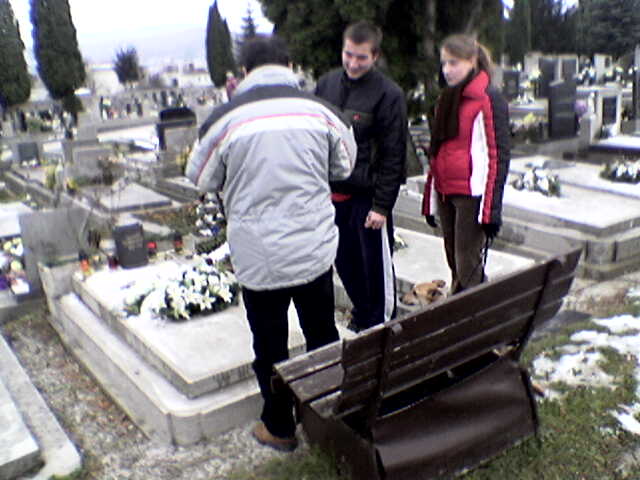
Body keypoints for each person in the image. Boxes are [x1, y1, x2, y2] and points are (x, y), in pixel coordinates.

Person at [186, 35, 356, 452]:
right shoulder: (322, 112)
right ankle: (327, 416)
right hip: (312, 250)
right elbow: (344, 166)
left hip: (258, 256)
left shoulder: (225, 119)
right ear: (290, 65)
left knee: (270, 344)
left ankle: (279, 426)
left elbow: (200, 177)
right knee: (321, 333)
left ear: (244, 72)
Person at [315, 20, 407, 333]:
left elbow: (394, 154)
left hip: (368, 198)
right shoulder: (326, 85)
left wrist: (382, 206)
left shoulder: (389, 94)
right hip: (333, 195)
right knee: (345, 264)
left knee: (374, 272)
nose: (353, 63)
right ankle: (363, 316)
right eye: (348, 55)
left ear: (375, 56)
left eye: (361, 57)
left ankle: (381, 329)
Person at [422, 34, 510, 295]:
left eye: (454, 63)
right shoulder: (446, 99)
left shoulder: (487, 98)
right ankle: (462, 311)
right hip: (446, 189)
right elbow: (437, 152)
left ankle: (483, 312)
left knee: (467, 264)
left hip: (472, 194)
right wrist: (430, 198)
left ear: (472, 61)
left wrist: (491, 210)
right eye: (444, 63)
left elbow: (498, 155)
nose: (447, 70)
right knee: (453, 260)